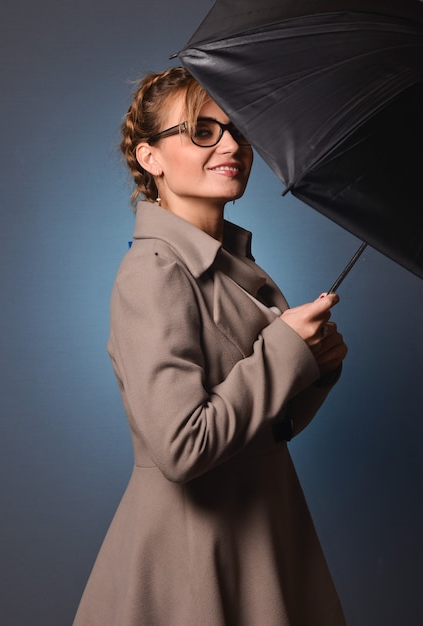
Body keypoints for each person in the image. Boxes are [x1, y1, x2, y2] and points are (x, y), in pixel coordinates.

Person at [73, 66, 348, 626]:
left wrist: (314, 368)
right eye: (202, 131)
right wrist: (283, 352)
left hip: (267, 526)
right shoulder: (153, 273)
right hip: (193, 551)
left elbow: (269, 428)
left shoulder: (236, 267)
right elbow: (182, 447)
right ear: (151, 158)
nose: (230, 144)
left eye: (237, 130)